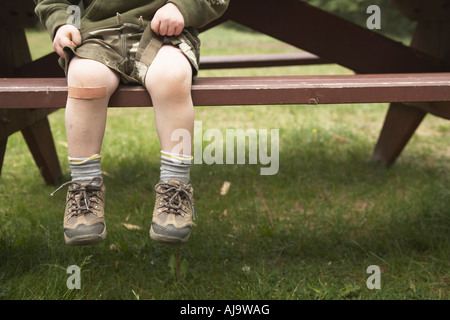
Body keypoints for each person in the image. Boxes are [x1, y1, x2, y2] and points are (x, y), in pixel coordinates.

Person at [34, 0, 230, 246]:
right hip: (96, 35)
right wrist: (61, 21)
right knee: (85, 80)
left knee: (172, 77)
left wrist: (183, 7)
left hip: (164, 34)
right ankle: (84, 188)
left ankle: (175, 186)